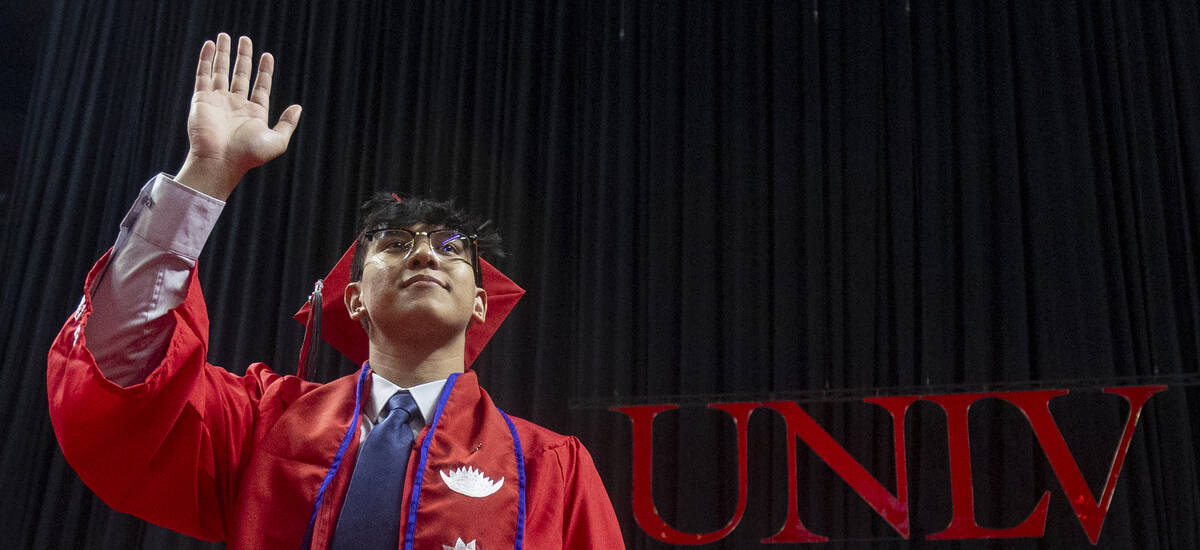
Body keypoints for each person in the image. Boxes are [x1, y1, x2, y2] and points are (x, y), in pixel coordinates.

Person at [46, 33, 625, 550]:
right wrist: (207, 174)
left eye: (451, 248)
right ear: (353, 299)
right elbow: (119, 371)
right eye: (394, 244)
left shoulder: (550, 471)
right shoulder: (261, 426)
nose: (425, 252)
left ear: (479, 301)